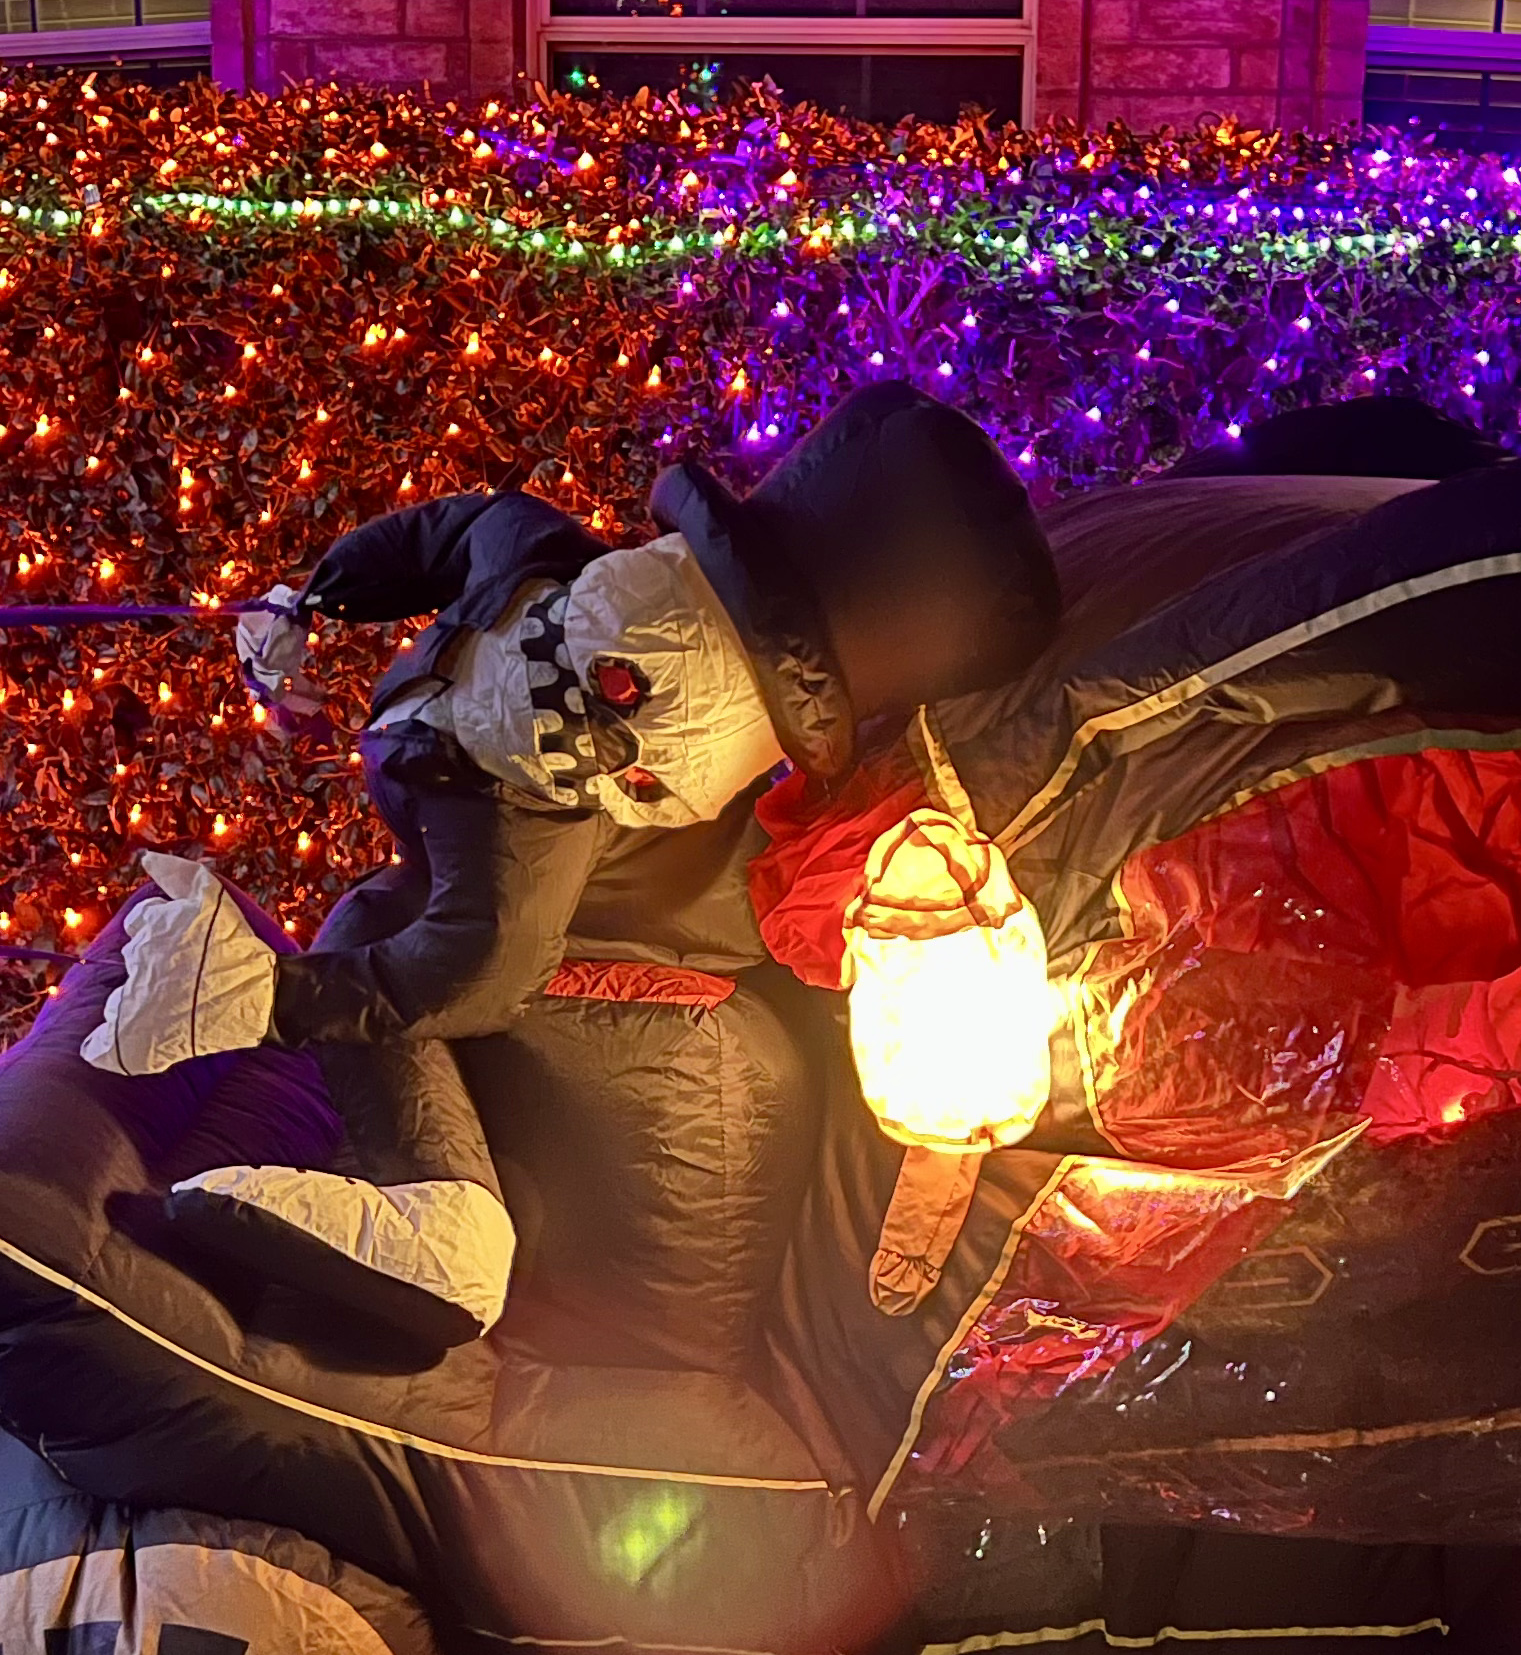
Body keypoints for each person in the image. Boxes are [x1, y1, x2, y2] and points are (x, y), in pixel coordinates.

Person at [83, 381, 1062, 1375]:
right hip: (499, 884)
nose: (593, 710)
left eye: (630, 740)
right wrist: (318, 595)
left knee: (379, 927)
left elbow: (472, 968)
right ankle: (439, 1206)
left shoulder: (532, 833)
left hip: (639, 990)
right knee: (379, 917)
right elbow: (451, 533)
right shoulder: (530, 571)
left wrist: (267, 999)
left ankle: (446, 1232)